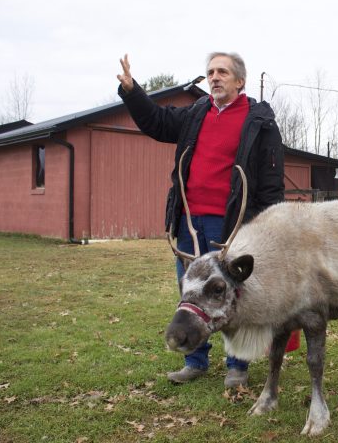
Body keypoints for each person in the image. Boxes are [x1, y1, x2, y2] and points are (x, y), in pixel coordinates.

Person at [117, 52, 285, 388]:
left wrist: (266, 226)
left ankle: (238, 365)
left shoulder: (260, 122)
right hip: (190, 224)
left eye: (222, 72)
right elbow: (157, 123)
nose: (214, 77)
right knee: (192, 292)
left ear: (240, 81)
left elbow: (271, 180)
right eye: (210, 72)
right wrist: (133, 91)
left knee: (234, 296)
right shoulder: (196, 113)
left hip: (234, 226)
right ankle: (195, 359)